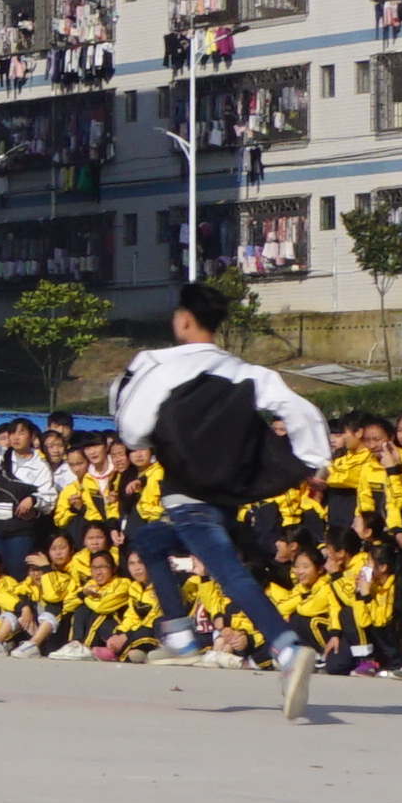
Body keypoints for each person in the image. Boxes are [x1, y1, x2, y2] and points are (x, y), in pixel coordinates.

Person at [108, 280, 333, 700]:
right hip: (227, 496)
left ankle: (286, 647)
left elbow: (133, 428)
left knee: (228, 571)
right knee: (151, 540)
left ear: (184, 320)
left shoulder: (159, 364)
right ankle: (180, 633)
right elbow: (300, 409)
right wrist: (314, 461)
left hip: (186, 494)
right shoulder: (246, 371)